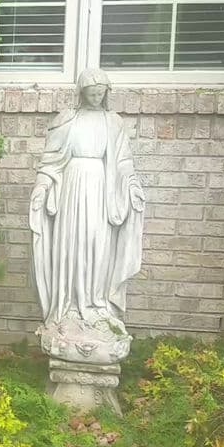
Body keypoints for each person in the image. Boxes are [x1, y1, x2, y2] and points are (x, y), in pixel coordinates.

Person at [28, 68, 145, 339]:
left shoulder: (113, 122)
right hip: (72, 188)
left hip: (102, 192)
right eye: (91, 92)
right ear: (81, 93)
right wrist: (43, 186)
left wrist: (132, 185)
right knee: (72, 246)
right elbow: (51, 160)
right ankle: (69, 308)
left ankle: (97, 305)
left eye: (100, 93)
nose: (96, 97)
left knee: (99, 245)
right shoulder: (68, 120)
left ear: (107, 94)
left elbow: (123, 161)